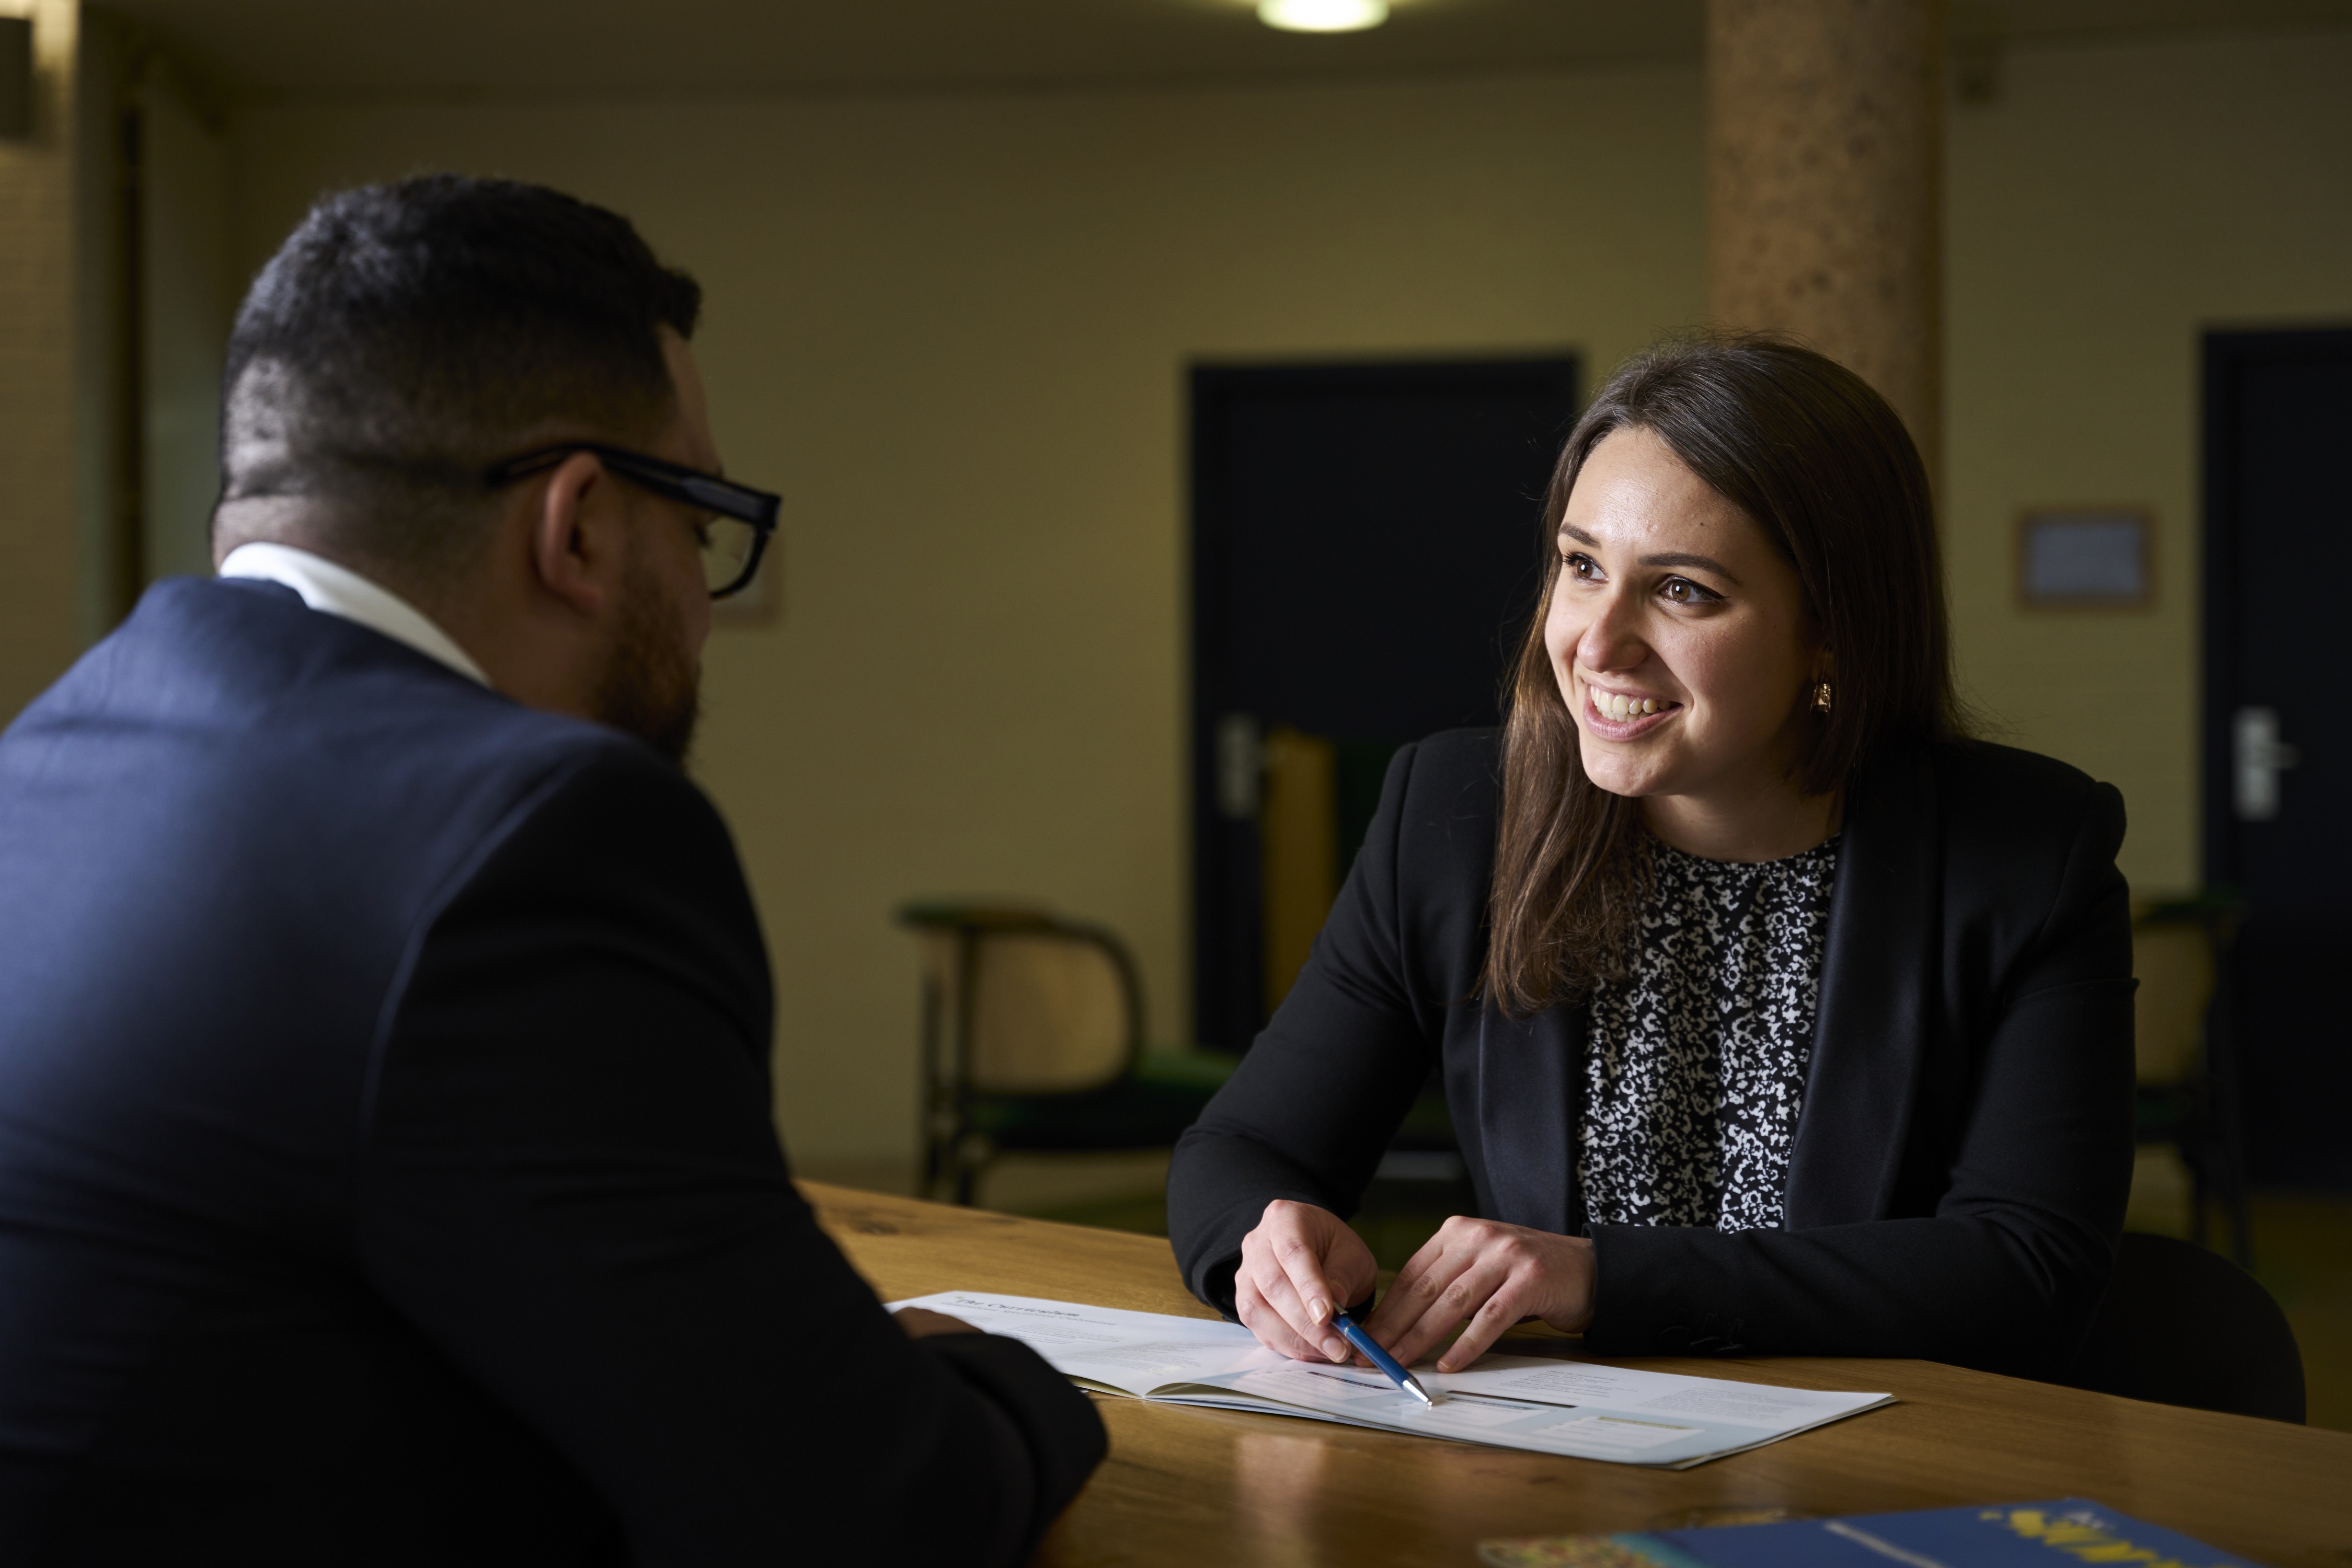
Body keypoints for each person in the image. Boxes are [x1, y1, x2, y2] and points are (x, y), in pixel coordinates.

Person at [0, 176, 1103, 1564]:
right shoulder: (527, 839)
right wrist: (995, 1377)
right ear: (578, 524)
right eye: (700, 528)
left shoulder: (47, 754)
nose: (704, 612)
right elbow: (864, 1509)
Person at [1166, 335, 2136, 1383]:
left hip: (1886, 1461)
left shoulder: (2028, 852)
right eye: (1583, 567)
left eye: (1684, 591)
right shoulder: (1455, 814)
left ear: (1833, 633)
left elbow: (2029, 1267)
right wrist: (1269, 1245)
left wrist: (1601, 1281)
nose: (1598, 641)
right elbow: (1235, 1155)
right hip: (1549, 1465)